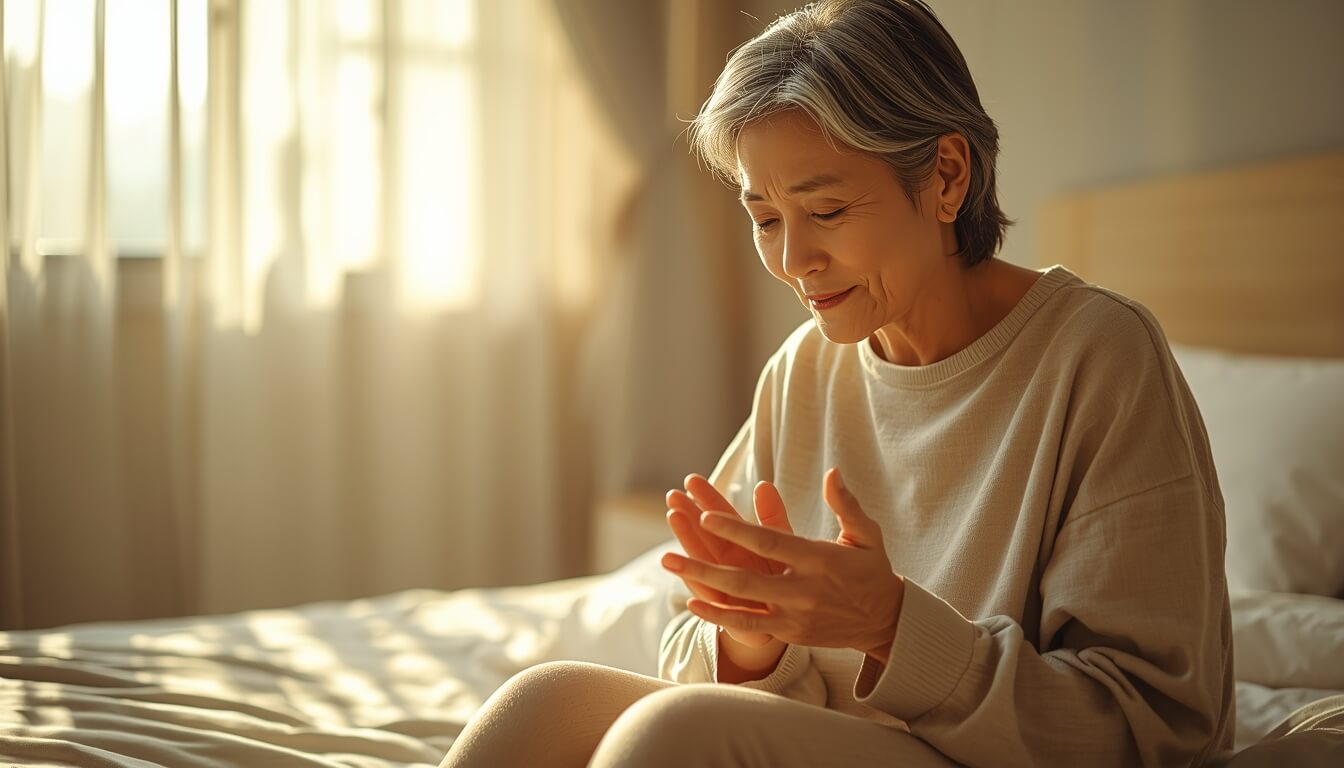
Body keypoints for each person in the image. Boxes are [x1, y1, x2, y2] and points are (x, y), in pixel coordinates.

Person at [441, 0, 1234, 765]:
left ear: (946, 176)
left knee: (675, 734)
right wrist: (747, 639)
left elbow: (1151, 731)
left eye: (825, 211)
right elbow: (693, 647)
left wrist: (893, 627)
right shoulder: (805, 369)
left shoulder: (1098, 357)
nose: (793, 262)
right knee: (544, 703)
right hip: (836, 738)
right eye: (766, 219)